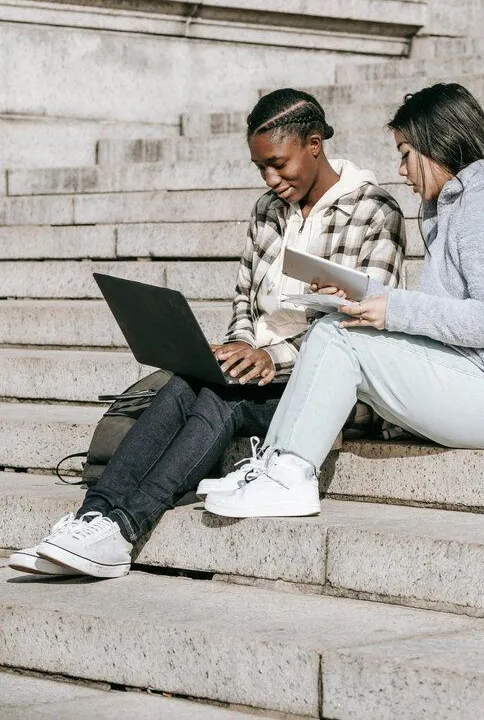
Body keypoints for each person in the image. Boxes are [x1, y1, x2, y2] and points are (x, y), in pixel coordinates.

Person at [10, 87, 405, 577]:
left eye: (279, 164)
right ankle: (90, 519)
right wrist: (240, 345)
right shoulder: (266, 211)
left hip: (328, 388)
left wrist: (273, 358)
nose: (270, 178)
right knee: (185, 381)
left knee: (222, 399)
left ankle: (124, 529)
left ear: (314, 145)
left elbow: (362, 324)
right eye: (260, 167)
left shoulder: (374, 213)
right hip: (262, 371)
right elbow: (244, 300)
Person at [205, 82, 484, 520]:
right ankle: (275, 465)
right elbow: (452, 318)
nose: (400, 170)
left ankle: (289, 473)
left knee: (339, 336)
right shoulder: (459, 206)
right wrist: (364, 297)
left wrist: (391, 308)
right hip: (482, 385)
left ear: (438, 145)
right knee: (338, 324)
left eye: (405, 153)